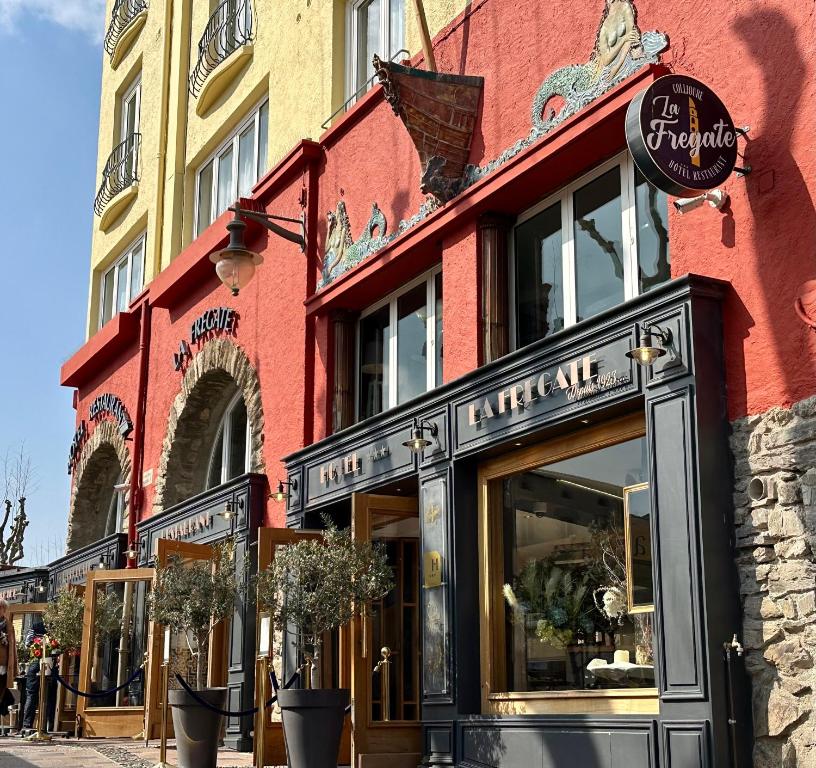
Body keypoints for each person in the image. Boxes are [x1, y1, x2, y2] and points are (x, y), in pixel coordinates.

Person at [21, 620, 57, 732]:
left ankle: (27, 726)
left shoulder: (36, 626)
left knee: (32, 694)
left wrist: (37, 646)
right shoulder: (55, 626)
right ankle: (47, 726)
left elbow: (27, 643)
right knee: (48, 696)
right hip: (49, 663)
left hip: (36, 662)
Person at [0, 598, 17, 717]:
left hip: (4, 664)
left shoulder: (9, 625)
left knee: (1, 691)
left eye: (1, 608)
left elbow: (13, 647)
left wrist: (15, 666)